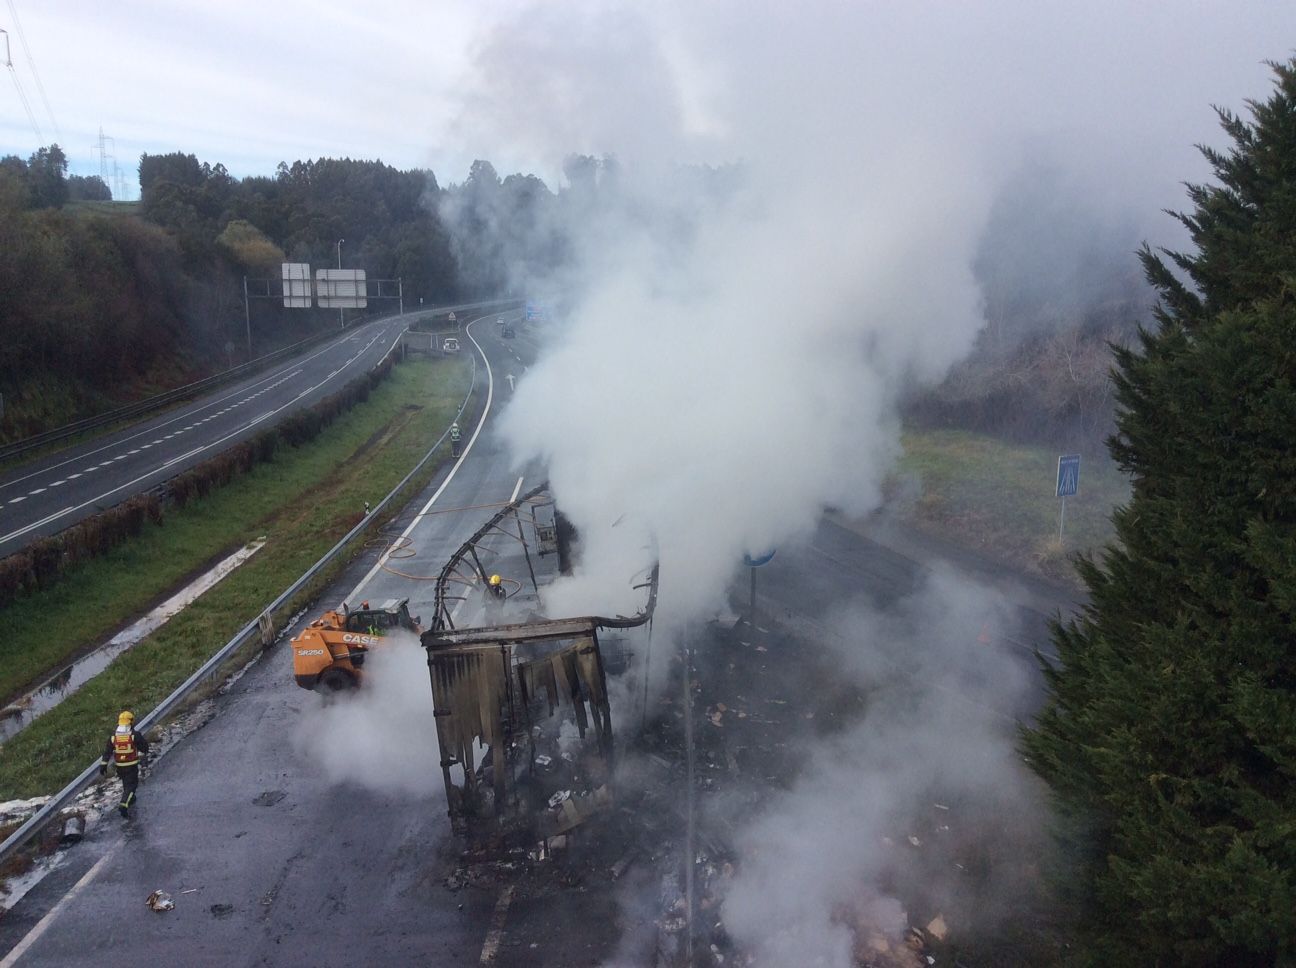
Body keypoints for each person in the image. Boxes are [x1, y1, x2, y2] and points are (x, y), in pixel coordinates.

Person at [100, 710, 150, 819]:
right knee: (132, 785)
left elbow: (107, 752)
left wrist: (103, 765)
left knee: (125, 783)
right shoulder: (133, 735)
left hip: (120, 766)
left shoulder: (114, 736)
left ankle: (130, 799)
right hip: (131, 765)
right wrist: (145, 752)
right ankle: (124, 804)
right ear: (131, 722)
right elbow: (144, 747)